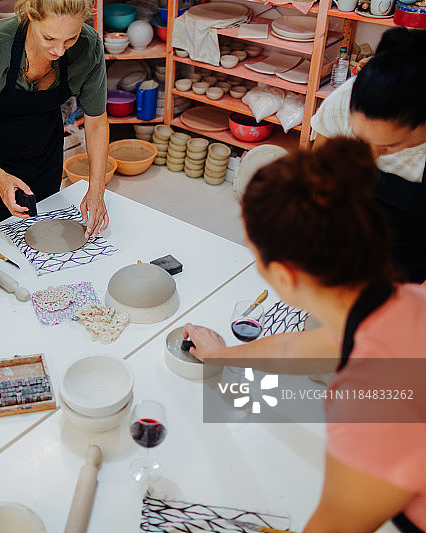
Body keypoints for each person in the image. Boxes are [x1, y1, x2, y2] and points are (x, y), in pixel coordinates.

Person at [185, 138, 426, 532]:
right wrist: (220, 356)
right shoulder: (404, 302)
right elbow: (293, 347)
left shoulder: (371, 401)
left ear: (283, 275)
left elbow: (334, 526)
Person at [0, 0, 109, 235]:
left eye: (70, 39)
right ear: (31, 15)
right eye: (49, 38)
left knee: (45, 233)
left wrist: (96, 190)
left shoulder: (89, 45)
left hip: (46, 156)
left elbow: (96, 122)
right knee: (0, 243)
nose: (59, 51)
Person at [311, 27, 426, 282]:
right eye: (360, 141)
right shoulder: (344, 101)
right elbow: (314, 180)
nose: (371, 156)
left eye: (388, 146)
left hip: (410, 272)